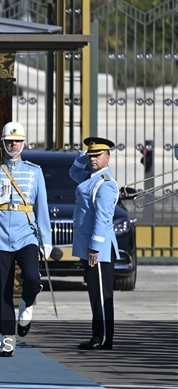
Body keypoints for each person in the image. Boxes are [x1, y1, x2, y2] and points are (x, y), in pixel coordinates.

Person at [0, 122, 52, 355]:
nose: (13, 145)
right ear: (2, 143)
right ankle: (7, 337)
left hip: (27, 234)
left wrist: (46, 240)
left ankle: (27, 303)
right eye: (9, 141)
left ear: (23, 143)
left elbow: (42, 207)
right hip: (0, 235)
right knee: (3, 288)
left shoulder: (35, 171)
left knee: (32, 278)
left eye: (17, 141)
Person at [70, 136, 120, 350]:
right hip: (89, 247)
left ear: (107, 158)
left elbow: (102, 218)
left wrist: (94, 247)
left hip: (98, 249)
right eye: (91, 155)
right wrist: (84, 155)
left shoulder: (105, 184)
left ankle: (104, 338)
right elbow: (73, 172)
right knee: (95, 294)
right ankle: (98, 336)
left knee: (101, 295)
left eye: (97, 155)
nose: (92, 159)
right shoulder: (91, 177)